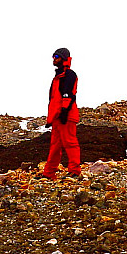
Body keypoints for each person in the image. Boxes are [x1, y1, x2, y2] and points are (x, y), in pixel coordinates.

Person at [39, 48, 81, 180]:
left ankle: (75, 171)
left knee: (70, 142)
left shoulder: (69, 75)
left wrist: (64, 110)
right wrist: (50, 119)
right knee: (55, 146)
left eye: (56, 56)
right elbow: (54, 99)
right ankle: (49, 173)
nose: (54, 59)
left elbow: (69, 94)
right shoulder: (57, 77)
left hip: (67, 115)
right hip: (58, 116)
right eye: (53, 56)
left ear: (63, 58)